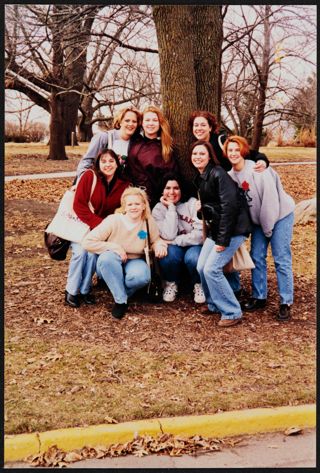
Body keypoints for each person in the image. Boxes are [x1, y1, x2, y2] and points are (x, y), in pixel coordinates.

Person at [225, 135, 295, 321]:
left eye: (236, 149)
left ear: (244, 151)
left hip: (279, 215)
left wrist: (268, 230)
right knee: (256, 256)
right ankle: (259, 296)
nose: (233, 153)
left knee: (281, 257)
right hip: (259, 221)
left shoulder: (258, 169)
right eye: (229, 150)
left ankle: (285, 302)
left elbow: (270, 202)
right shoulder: (230, 176)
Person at [192, 140, 252, 327]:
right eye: (195, 154)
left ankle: (232, 311)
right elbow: (214, 206)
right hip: (216, 229)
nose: (198, 157)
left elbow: (230, 207)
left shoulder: (218, 174)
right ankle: (214, 304)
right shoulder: (201, 176)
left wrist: (223, 240)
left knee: (212, 269)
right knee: (201, 266)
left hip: (233, 230)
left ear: (209, 156)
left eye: (202, 154)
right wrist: (201, 210)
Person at [82, 187, 168, 319]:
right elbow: (87, 242)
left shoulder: (147, 222)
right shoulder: (113, 220)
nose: (134, 207)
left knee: (142, 277)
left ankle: (120, 291)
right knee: (106, 260)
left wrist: (160, 245)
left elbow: (155, 240)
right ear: (124, 207)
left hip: (134, 260)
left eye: (137, 204)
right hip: (111, 260)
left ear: (144, 206)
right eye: (130, 204)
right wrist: (115, 247)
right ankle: (121, 301)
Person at [65, 148, 130, 308]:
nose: (107, 164)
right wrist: (99, 224)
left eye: (111, 161)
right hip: (83, 225)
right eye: (103, 161)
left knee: (93, 255)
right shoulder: (89, 176)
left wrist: (109, 226)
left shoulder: (123, 184)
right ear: (98, 163)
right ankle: (71, 291)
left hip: (103, 229)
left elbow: (121, 208)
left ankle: (85, 289)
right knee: (80, 253)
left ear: (117, 163)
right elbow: (79, 205)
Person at [152, 173, 205, 303]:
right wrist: (171, 208)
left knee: (193, 258)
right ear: (162, 190)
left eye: (176, 188)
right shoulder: (158, 209)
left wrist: (175, 241)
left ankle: (199, 284)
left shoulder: (192, 204)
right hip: (174, 248)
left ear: (182, 189)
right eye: (167, 188)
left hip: (194, 245)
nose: (172, 192)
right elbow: (168, 235)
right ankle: (171, 283)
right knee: (168, 255)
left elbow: (199, 235)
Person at [125, 105, 180, 208]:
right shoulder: (134, 142)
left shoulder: (166, 147)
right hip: (135, 199)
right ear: (142, 123)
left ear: (159, 123)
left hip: (159, 200)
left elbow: (172, 175)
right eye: (147, 120)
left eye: (154, 120)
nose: (151, 123)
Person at [188, 110, 269, 172]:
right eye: (196, 125)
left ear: (210, 128)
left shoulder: (222, 141)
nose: (199, 128)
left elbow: (248, 152)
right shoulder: (196, 148)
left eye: (203, 125)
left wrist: (262, 160)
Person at [76, 106, 142, 178]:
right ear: (120, 122)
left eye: (134, 121)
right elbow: (86, 161)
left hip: (120, 185)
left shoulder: (136, 142)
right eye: (127, 120)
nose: (131, 124)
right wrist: (83, 181)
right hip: (100, 183)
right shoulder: (104, 137)